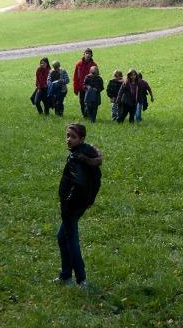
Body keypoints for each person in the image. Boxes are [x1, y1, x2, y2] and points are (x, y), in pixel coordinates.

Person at [56, 123, 102, 289]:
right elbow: (96, 181)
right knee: (62, 237)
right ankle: (66, 275)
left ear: (82, 139)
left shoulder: (76, 158)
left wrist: (67, 201)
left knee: (71, 239)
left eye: (73, 137)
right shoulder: (88, 155)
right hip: (81, 203)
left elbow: (80, 183)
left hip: (72, 205)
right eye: (67, 135)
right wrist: (90, 200)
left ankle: (80, 279)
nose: (68, 139)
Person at [73, 48, 97, 118]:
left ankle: (89, 115)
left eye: (89, 54)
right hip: (81, 87)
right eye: (86, 53)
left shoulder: (94, 64)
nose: (88, 55)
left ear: (91, 55)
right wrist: (75, 88)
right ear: (84, 54)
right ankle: (84, 115)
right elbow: (75, 77)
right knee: (82, 102)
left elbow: (96, 76)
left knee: (89, 102)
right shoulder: (78, 64)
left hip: (90, 88)